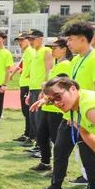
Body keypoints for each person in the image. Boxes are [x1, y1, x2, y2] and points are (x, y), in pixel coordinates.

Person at [33, 22, 95, 189]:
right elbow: (64, 89)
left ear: (84, 39)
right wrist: (45, 99)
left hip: (85, 120)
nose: (69, 44)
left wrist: (87, 117)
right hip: (69, 118)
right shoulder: (76, 60)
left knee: (88, 157)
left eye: (72, 40)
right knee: (59, 152)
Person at [29, 39, 72, 172]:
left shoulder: (65, 64)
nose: (52, 50)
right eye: (51, 48)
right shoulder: (57, 64)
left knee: (55, 139)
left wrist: (45, 86)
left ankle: (57, 168)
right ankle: (45, 162)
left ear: (64, 49)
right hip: (47, 105)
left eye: (55, 48)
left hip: (56, 108)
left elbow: (58, 85)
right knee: (41, 135)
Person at [18, 30, 52, 147]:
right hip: (32, 89)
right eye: (30, 39)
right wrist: (29, 93)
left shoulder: (46, 51)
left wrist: (45, 91)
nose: (31, 42)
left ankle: (41, 147)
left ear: (41, 38)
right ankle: (38, 145)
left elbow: (49, 72)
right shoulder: (35, 52)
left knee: (40, 121)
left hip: (40, 90)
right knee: (33, 119)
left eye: (33, 39)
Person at [11, 33, 36, 141]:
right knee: (26, 112)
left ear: (28, 40)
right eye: (18, 41)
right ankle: (27, 134)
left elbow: (33, 68)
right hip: (24, 84)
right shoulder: (26, 52)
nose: (20, 43)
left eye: (22, 40)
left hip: (28, 85)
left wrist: (27, 76)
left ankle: (31, 135)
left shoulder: (30, 51)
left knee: (28, 111)